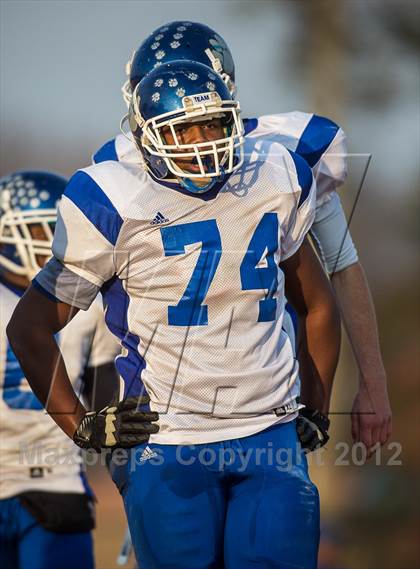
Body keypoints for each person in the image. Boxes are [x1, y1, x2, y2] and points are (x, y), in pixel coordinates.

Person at [7, 60, 340, 569]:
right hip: (170, 441)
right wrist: (81, 426)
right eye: (184, 129)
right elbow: (30, 326)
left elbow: (316, 304)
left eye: (215, 124)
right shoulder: (115, 201)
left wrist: (316, 404)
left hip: (269, 432)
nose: (204, 141)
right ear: (146, 137)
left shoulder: (275, 177)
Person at [95, 20, 391, 455]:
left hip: (266, 399)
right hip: (166, 410)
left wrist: (374, 383)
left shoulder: (280, 161)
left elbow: (341, 267)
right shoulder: (122, 170)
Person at [0, 171, 121, 569]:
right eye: (37, 226)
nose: (47, 238)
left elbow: (108, 401)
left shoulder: (88, 305)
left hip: (58, 480)